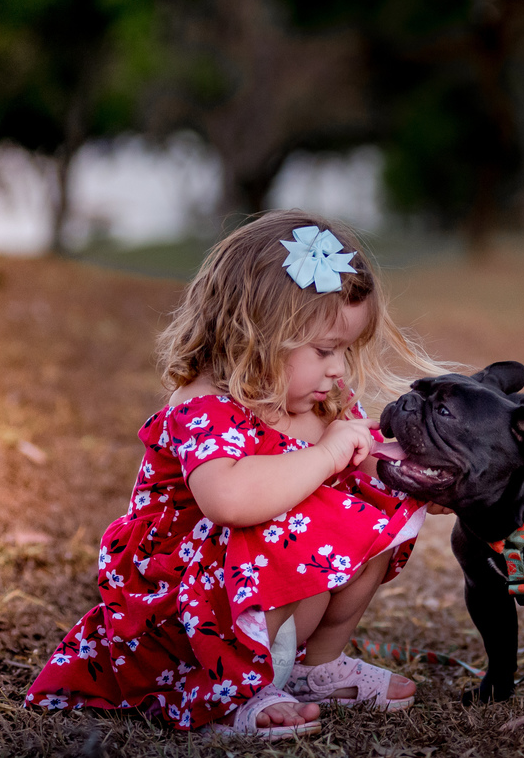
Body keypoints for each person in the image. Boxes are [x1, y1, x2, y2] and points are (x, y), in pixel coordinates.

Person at [25, 212, 453, 739]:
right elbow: (228, 500)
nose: (339, 368)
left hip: (257, 594)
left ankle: (312, 667)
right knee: (293, 516)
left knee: (381, 504)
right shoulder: (204, 406)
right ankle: (227, 693)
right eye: (323, 350)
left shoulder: (318, 398)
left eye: (346, 350)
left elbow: (363, 458)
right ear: (255, 335)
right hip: (183, 606)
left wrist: (416, 475)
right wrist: (324, 457)